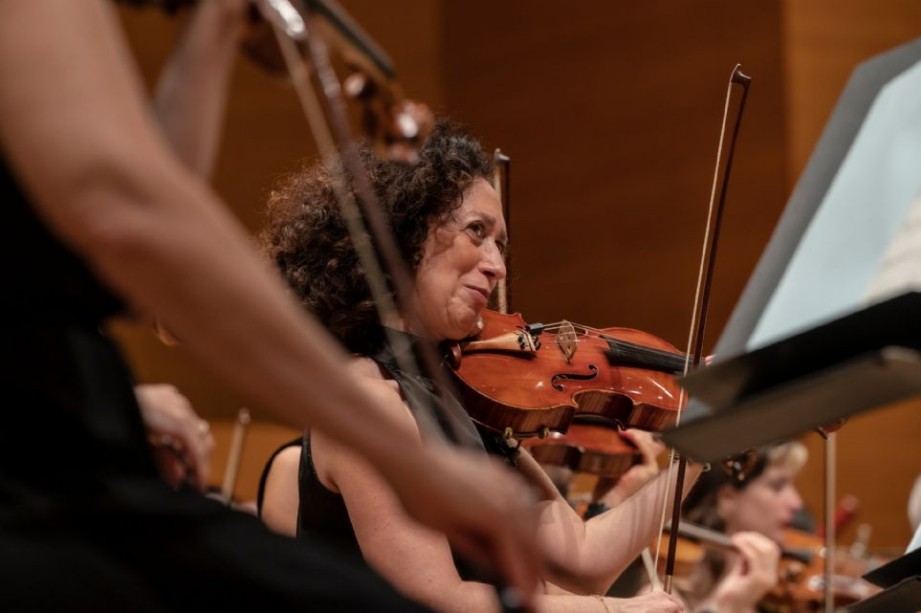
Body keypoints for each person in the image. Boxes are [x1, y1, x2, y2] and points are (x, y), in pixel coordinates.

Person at [0, 1, 545, 610]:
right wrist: (414, 465)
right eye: (476, 234)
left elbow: (139, 212)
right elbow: (131, 215)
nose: (496, 264)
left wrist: (216, 22)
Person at [258, 119, 700, 612]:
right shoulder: (366, 399)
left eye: (501, 245)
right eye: (477, 232)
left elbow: (582, 558)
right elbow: (438, 598)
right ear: (403, 234)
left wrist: (704, 443)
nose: (498, 266)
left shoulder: (472, 395)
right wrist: (615, 610)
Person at [669, 442, 809, 613]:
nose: (796, 503)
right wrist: (725, 605)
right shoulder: (667, 597)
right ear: (728, 497)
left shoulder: (779, 596)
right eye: (777, 486)